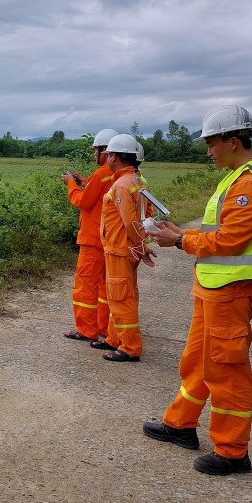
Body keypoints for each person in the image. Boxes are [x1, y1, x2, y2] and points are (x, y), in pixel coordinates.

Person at [143, 105, 252, 476]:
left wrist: (178, 241)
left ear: (232, 141)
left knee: (226, 369)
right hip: (215, 287)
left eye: (211, 143)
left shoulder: (250, 183)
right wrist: (182, 234)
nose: (208, 151)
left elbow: (231, 240)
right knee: (197, 360)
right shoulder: (237, 176)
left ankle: (233, 452)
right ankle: (180, 425)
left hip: (232, 290)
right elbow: (217, 232)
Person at [91, 134, 153, 362]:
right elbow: (145, 216)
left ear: (114, 156)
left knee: (121, 298)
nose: (105, 157)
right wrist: (142, 246)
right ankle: (114, 338)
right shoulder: (137, 181)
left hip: (120, 249)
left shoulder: (123, 184)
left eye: (108, 154)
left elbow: (131, 222)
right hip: (124, 249)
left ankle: (130, 346)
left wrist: (140, 245)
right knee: (120, 295)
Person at [61, 128, 118, 343]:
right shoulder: (117, 174)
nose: (94, 154)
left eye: (96, 150)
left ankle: (86, 329)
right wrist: (85, 181)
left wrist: (71, 184)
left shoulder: (102, 173)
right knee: (104, 287)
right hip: (107, 239)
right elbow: (98, 191)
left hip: (93, 239)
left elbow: (83, 201)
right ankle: (103, 327)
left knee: (85, 285)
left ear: (105, 151)